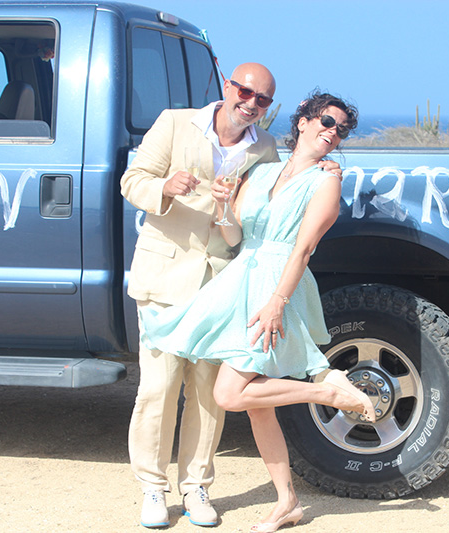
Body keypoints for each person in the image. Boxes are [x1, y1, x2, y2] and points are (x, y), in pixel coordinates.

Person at [139, 91, 374, 533]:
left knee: (229, 394)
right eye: (326, 121)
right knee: (256, 405)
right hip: (241, 282)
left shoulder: (327, 180)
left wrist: (277, 303)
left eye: (341, 129)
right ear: (303, 121)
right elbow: (232, 237)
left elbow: (304, 248)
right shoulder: (263, 169)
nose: (332, 132)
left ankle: (327, 393)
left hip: (277, 289)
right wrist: (226, 206)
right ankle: (286, 500)